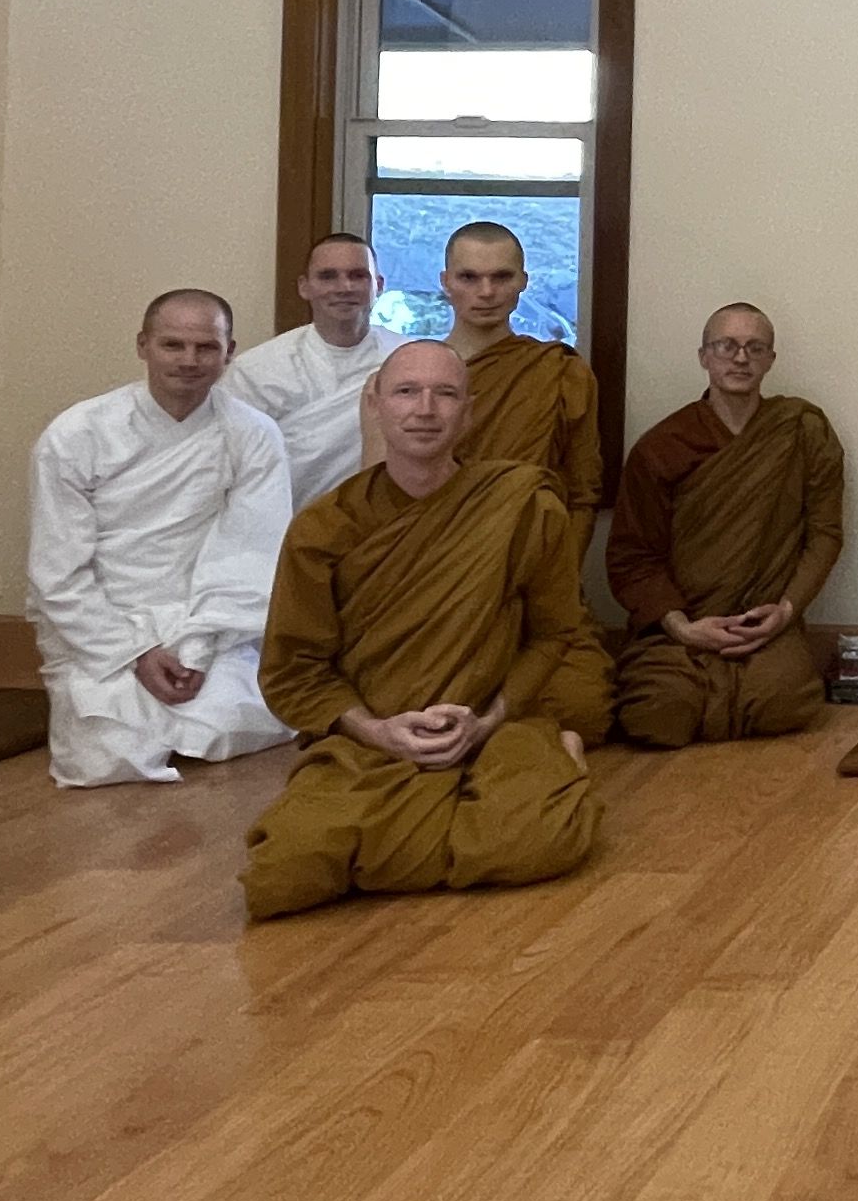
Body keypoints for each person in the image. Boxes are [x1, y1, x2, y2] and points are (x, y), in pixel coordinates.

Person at [240, 341, 608, 920]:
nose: (426, 409)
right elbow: (293, 671)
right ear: (376, 407)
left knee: (534, 842)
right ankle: (523, 791)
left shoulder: (522, 505)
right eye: (406, 392)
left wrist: (490, 719)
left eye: (446, 394)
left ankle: (547, 761)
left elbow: (552, 634)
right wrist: (378, 731)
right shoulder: (324, 528)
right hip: (370, 738)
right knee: (283, 873)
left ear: (470, 413)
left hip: (493, 727)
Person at [24, 288, 294, 787]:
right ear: (143, 345)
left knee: (233, 723)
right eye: (173, 345)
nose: (189, 361)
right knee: (107, 758)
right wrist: (134, 652)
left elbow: (252, 553)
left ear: (229, 352)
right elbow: (57, 572)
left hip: (205, 617)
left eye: (206, 347)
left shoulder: (253, 433)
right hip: (103, 620)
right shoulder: (77, 434)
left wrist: (199, 646)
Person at [606, 304, 845, 746]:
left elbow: (825, 534)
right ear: (704, 356)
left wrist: (785, 612)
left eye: (755, 348)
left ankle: (719, 698)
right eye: (726, 346)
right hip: (680, 627)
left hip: (762, 624)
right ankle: (714, 696)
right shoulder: (662, 446)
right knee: (656, 715)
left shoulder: (801, 431)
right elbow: (632, 557)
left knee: (783, 703)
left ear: (770, 360)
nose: (740, 358)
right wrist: (682, 627)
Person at [436, 221, 604, 520]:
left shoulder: (559, 371)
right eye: (469, 277)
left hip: (530, 538)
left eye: (502, 277)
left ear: (523, 281)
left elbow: (582, 490)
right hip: (432, 537)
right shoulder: (414, 375)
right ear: (446, 281)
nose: (486, 292)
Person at [223, 232, 396, 507]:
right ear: (304, 287)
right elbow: (230, 461)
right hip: (281, 519)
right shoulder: (257, 369)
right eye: (328, 276)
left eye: (358, 276)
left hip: (378, 517)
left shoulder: (406, 361)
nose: (344, 287)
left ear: (379, 285)